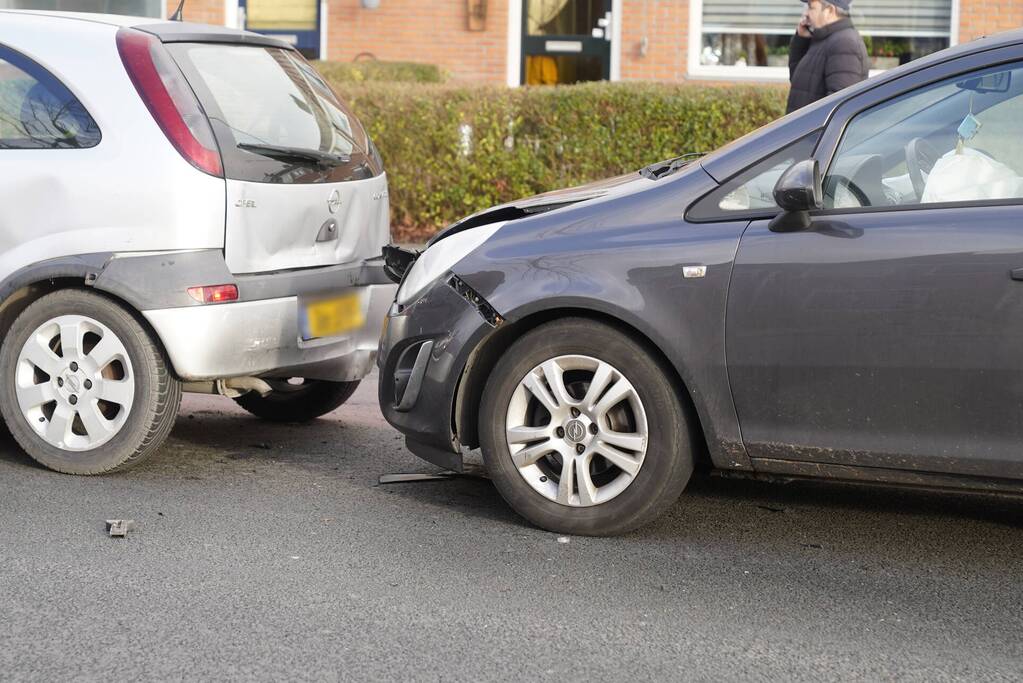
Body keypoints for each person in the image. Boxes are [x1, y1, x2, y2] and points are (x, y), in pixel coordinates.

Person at [786, 0, 869, 113]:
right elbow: (800, 84)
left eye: (811, 7)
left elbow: (839, 107)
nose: (806, 13)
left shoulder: (843, 43)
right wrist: (802, 40)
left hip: (812, 129)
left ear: (829, 10)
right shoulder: (824, 39)